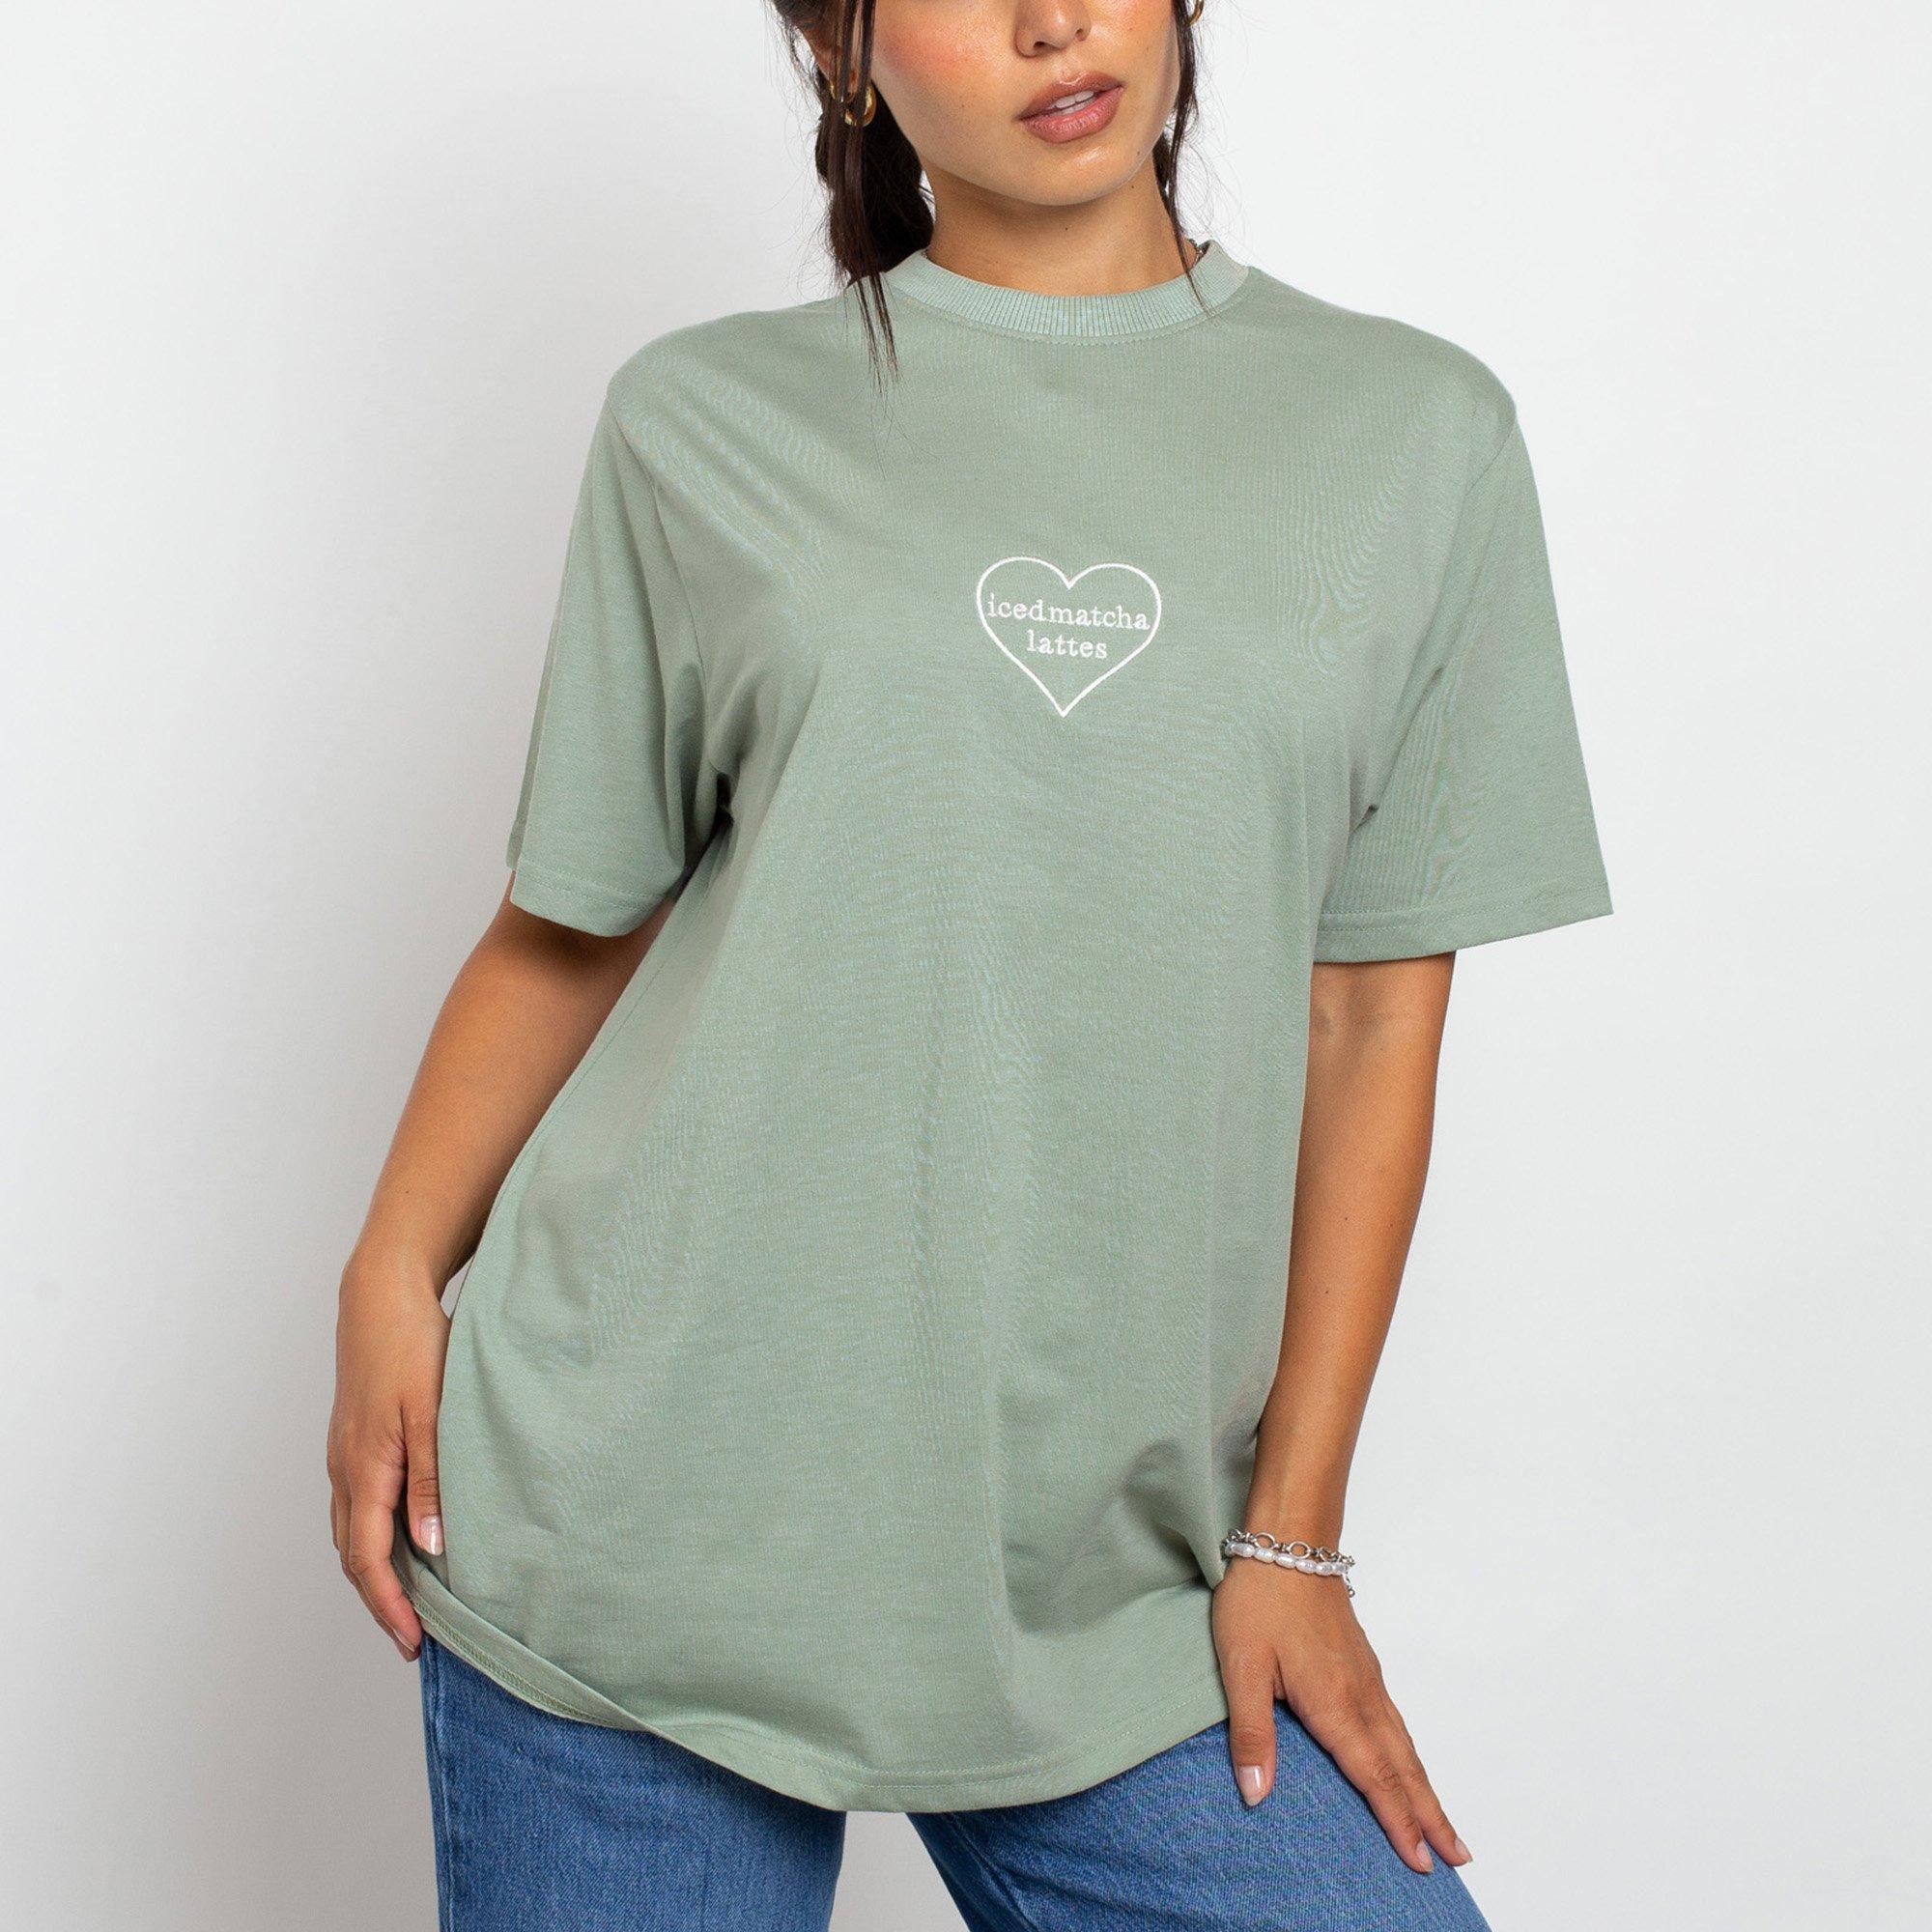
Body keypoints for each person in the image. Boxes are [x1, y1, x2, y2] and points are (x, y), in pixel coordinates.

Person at [326, 3, 1611, 1925]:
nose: (1050, 20)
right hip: (638, 1530)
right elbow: (569, 925)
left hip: (1116, 1583)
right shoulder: (703, 419)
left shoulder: (1416, 436)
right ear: (842, 54)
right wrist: (387, 1269)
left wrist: (1294, 1540)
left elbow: (1369, 1021)